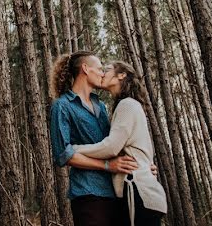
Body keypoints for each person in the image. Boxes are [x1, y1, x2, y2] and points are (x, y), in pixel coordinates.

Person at [73, 61, 167, 226]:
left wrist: (75, 149)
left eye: (107, 69)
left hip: (137, 191)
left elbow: (111, 147)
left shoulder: (127, 105)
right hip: (140, 193)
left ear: (121, 75)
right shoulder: (126, 106)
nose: (102, 73)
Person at [49, 51, 137, 226]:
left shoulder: (101, 106)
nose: (103, 73)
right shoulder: (62, 106)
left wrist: (141, 165)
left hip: (116, 191)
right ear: (85, 69)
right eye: (99, 68)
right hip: (88, 194)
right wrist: (106, 165)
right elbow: (63, 154)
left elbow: (115, 145)